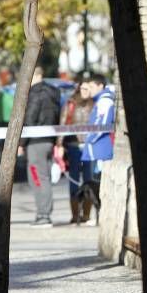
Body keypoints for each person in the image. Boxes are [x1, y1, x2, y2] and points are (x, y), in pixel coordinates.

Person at [21, 66, 61, 228]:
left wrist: (21, 143)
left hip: (35, 140)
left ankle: (43, 215)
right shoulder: (53, 92)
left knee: (37, 177)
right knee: (43, 177)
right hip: (48, 138)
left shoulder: (35, 93)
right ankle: (44, 212)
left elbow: (29, 119)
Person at [55, 79, 93, 224]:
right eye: (83, 88)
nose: (86, 92)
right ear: (78, 89)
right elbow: (62, 124)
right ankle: (75, 214)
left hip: (89, 145)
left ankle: (87, 214)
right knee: (74, 180)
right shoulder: (70, 103)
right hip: (73, 146)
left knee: (89, 180)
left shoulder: (94, 103)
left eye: (88, 89)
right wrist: (59, 145)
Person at [80, 74, 115, 225]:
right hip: (94, 149)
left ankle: (103, 215)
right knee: (95, 184)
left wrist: (89, 139)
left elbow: (102, 124)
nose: (90, 90)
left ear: (100, 86)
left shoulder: (105, 101)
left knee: (99, 184)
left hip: (99, 150)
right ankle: (99, 215)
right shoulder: (100, 100)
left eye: (92, 86)